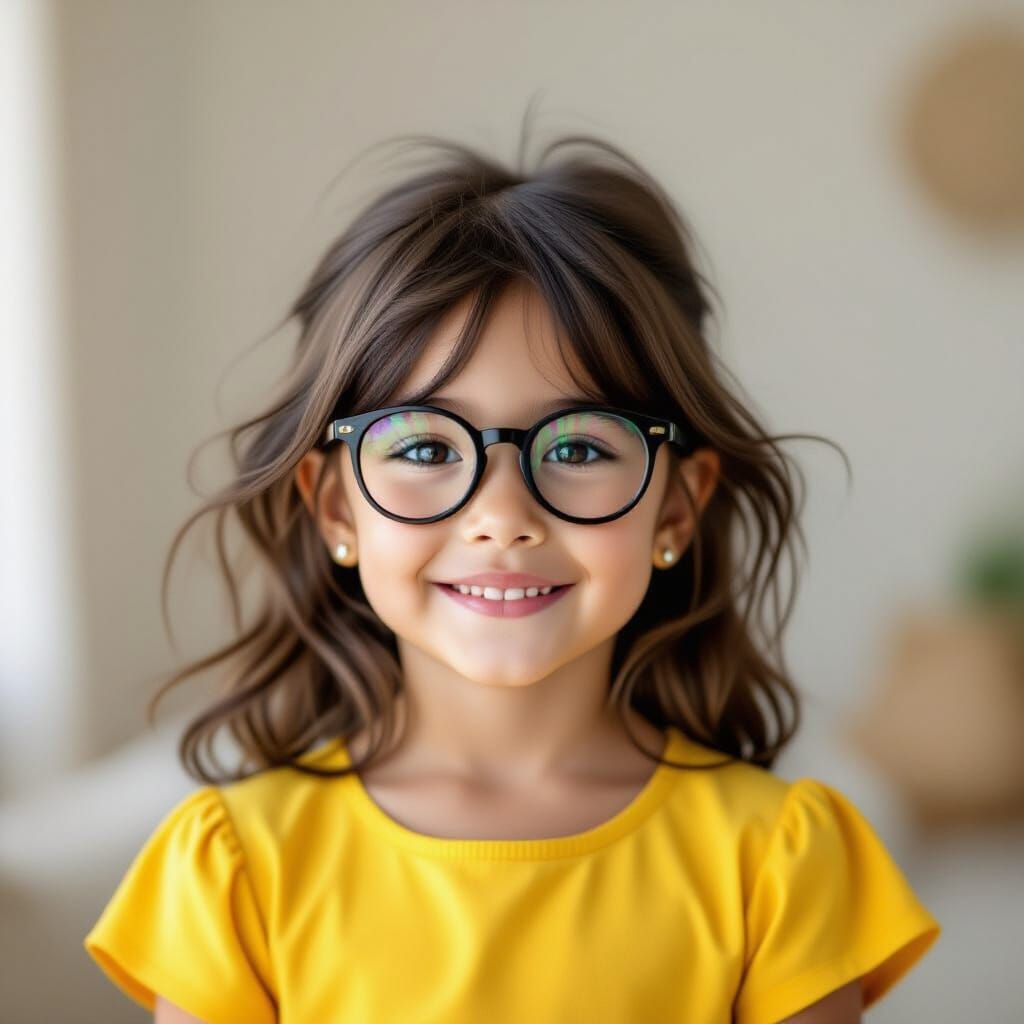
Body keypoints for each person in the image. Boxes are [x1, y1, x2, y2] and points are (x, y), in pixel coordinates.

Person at [83, 125, 940, 1024]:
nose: (501, 515)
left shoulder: (781, 859)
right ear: (336, 507)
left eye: (574, 445)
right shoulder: (233, 868)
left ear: (678, 508)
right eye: (423, 445)